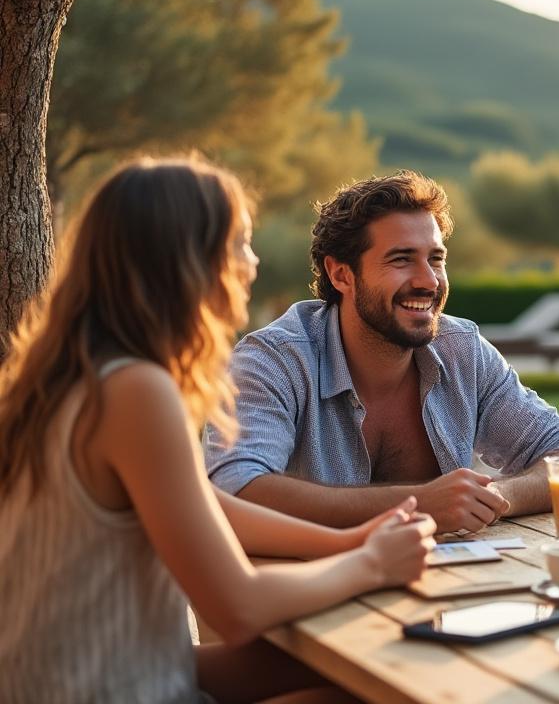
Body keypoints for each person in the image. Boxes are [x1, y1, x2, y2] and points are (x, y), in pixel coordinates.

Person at [0, 158, 437, 703]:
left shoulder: (71, 379)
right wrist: (369, 564)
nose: (252, 263)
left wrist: (348, 541)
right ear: (187, 260)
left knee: (366, 667)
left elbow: (206, 503)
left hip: (91, 673)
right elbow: (239, 608)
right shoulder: (136, 391)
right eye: (240, 243)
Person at [204, 171, 559, 533]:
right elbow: (234, 490)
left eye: (436, 259)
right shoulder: (273, 360)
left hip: (435, 591)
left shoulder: (462, 351)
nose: (428, 280)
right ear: (341, 274)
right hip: (300, 597)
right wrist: (419, 504)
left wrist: (488, 499)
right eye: (402, 259)